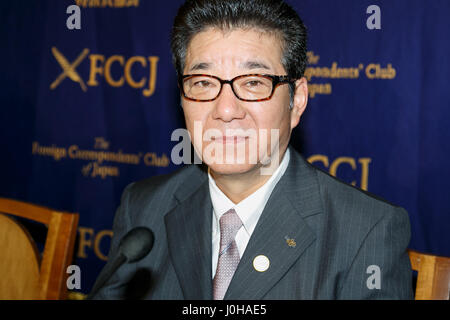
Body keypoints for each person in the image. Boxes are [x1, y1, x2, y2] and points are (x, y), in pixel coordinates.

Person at [91, 0, 413, 300]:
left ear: (296, 100)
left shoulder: (367, 230)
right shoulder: (143, 207)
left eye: (254, 83)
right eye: (203, 82)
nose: (226, 110)